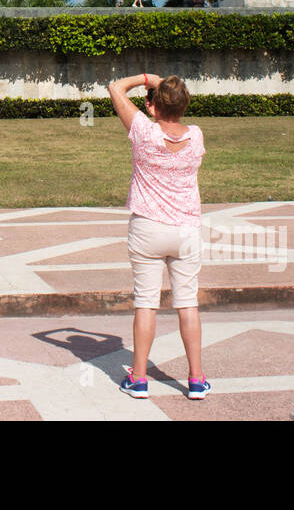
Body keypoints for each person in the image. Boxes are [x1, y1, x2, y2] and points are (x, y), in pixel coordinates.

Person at [107, 71, 209, 401]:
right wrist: (164, 90)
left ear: (152, 106)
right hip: (185, 230)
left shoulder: (143, 131)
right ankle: (195, 380)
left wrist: (148, 77)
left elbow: (115, 88)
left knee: (146, 304)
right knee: (187, 303)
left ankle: (139, 379)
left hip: (148, 227)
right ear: (184, 105)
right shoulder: (195, 135)